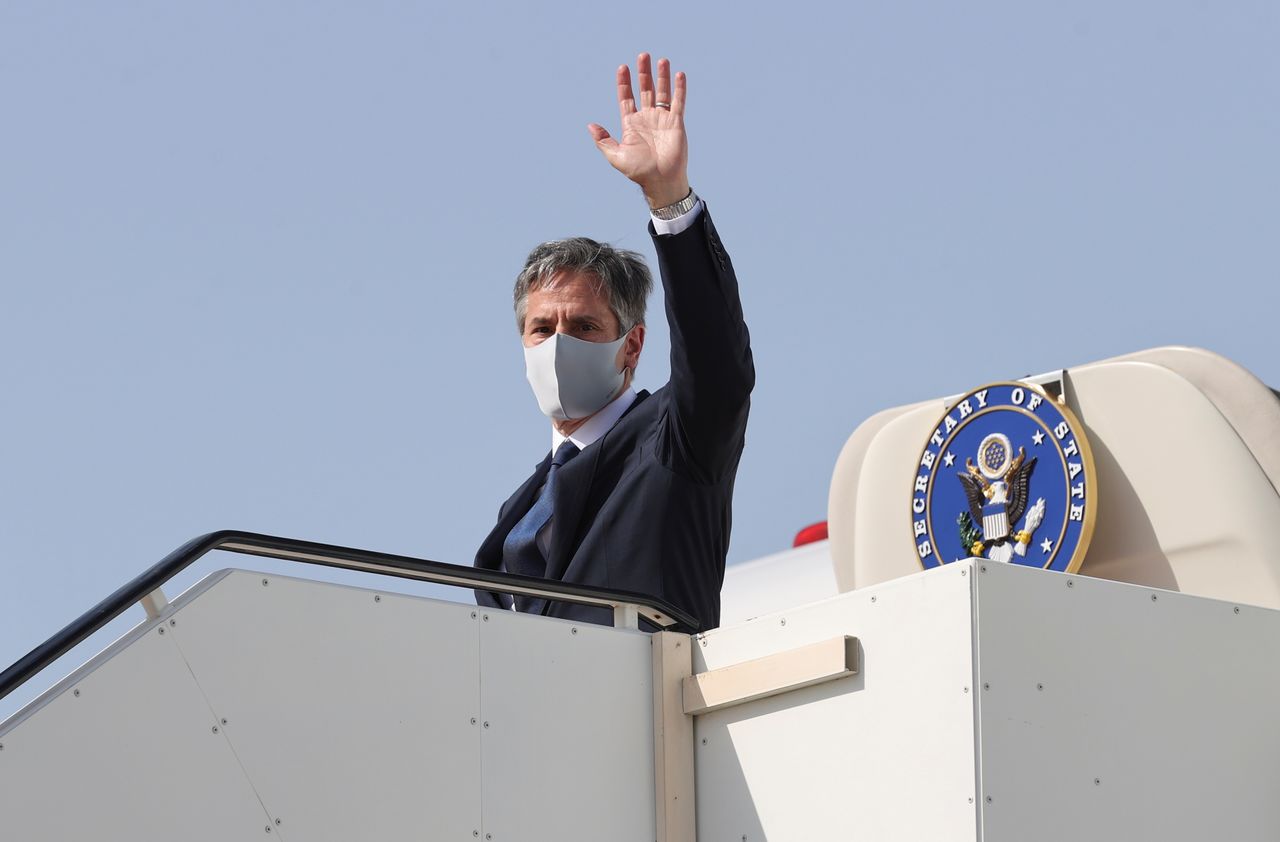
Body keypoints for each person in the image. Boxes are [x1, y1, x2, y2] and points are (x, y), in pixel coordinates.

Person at [473, 53, 753, 631]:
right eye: (541, 329)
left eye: (584, 327)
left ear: (631, 346)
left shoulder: (673, 441)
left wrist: (669, 198)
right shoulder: (521, 506)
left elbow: (716, 361)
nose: (557, 344)